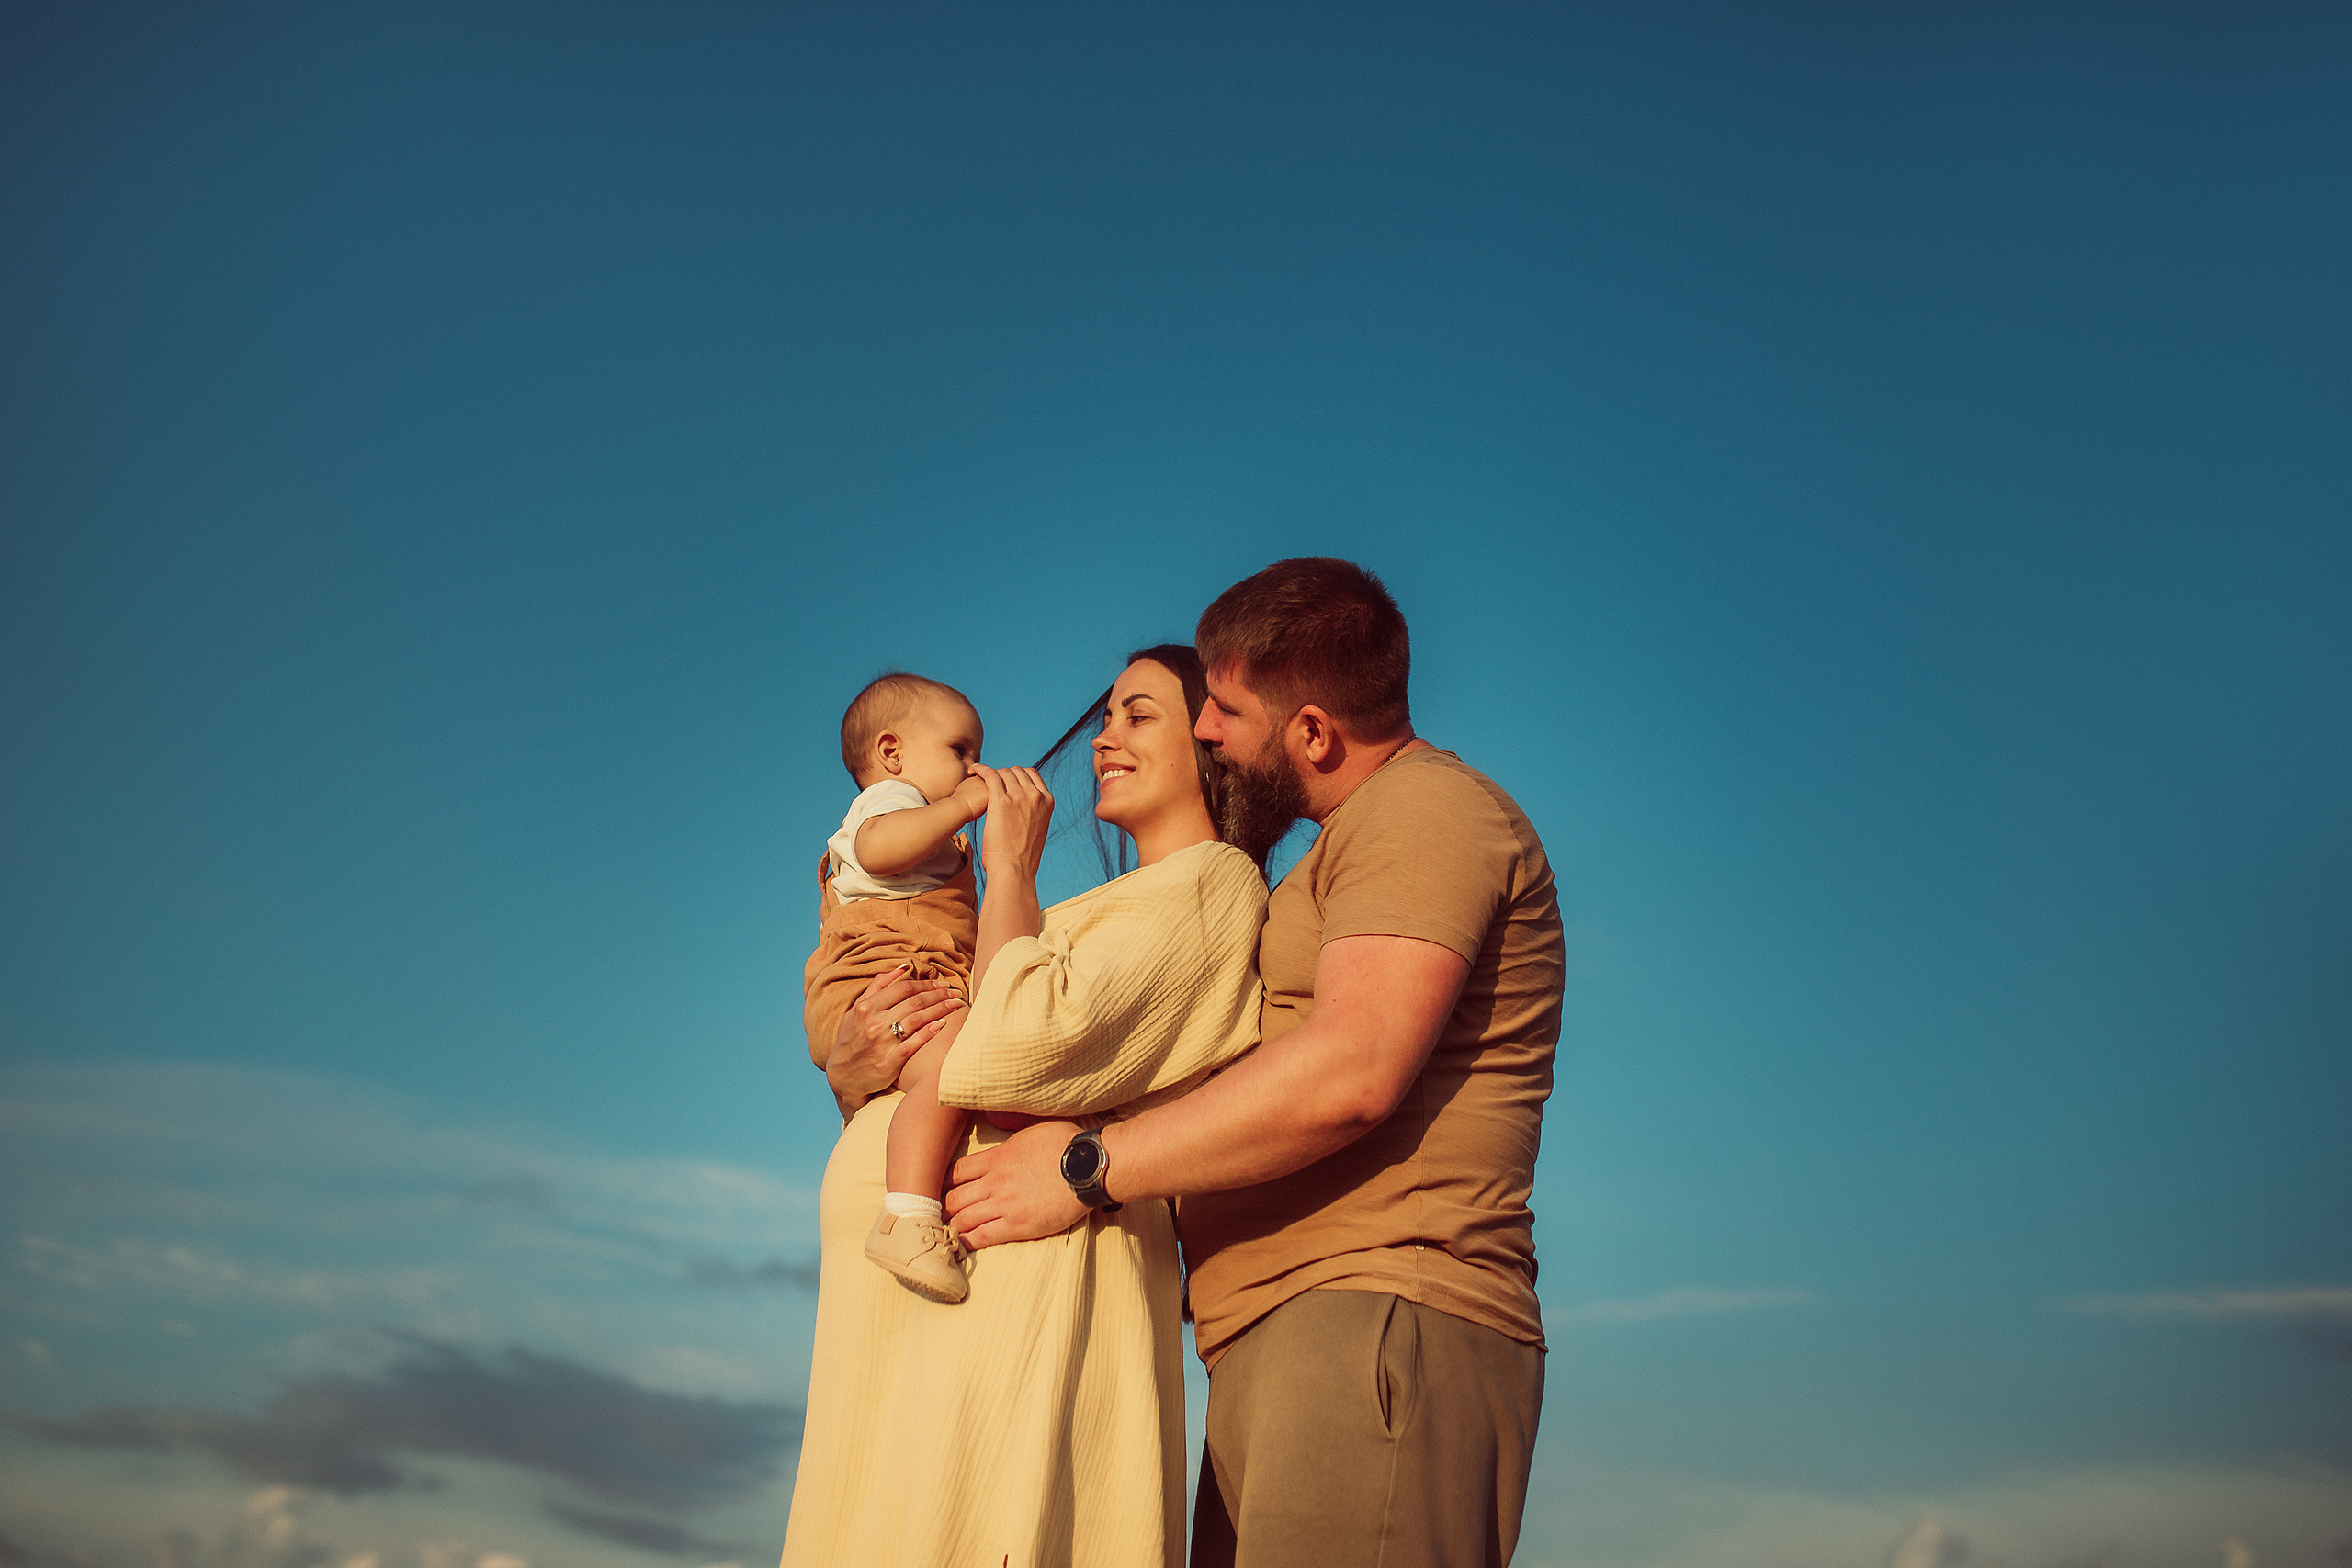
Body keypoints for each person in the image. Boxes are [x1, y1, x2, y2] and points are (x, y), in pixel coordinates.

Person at [947, 559, 1565, 1568]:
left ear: (1314, 731)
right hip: (1287, 1330)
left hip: (1374, 1315)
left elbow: (1350, 1070)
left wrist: (1083, 1171)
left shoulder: (1425, 814)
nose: (1205, 729)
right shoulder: (1341, 852)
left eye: (1225, 710)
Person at [781, 646, 1267, 1568]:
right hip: (920, 1303)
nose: (1102, 738)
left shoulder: (1209, 886)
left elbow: (1011, 1047)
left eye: (1138, 715)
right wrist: (855, 1068)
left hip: (1010, 1308)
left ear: (1211, 742)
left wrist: (1007, 869)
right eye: (1107, 715)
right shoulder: (1099, 908)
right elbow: (960, 1058)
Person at [801, 671, 993, 1302]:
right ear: (892, 755)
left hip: (892, 979)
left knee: (952, 1060)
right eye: (960, 750)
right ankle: (909, 1214)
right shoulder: (891, 803)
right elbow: (880, 850)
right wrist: (962, 807)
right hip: (880, 972)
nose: (975, 767)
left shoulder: (930, 823)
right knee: (952, 1060)